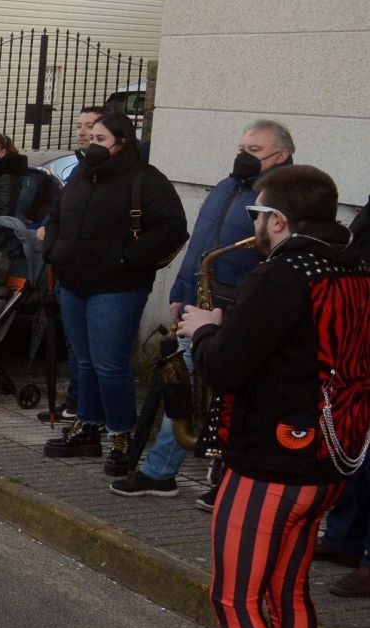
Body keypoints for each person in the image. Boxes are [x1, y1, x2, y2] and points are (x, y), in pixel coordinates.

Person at [174, 164, 370, 628]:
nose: (252, 226)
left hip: (271, 462)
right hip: (331, 458)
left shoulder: (281, 273)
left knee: (235, 599)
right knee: (288, 591)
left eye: (257, 216)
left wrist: (205, 332)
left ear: (277, 220)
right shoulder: (354, 268)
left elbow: (227, 369)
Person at [113, 121, 293, 501]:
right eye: (241, 145)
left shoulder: (284, 195)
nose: (243, 155)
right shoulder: (229, 185)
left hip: (237, 310)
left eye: (255, 150)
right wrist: (181, 291)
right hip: (200, 303)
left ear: (281, 155)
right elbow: (199, 245)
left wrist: (241, 310)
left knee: (237, 402)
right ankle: (161, 474)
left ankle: (226, 482)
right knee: (184, 393)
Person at [42, 111, 188, 476]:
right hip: (72, 282)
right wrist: (53, 250)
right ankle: (87, 427)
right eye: (91, 138)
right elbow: (57, 214)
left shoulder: (145, 179)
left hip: (118, 286)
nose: (93, 145)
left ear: (122, 142)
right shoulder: (80, 175)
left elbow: (171, 228)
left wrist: (126, 259)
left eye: (101, 139)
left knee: (109, 363)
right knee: (85, 359)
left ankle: (123, 435)